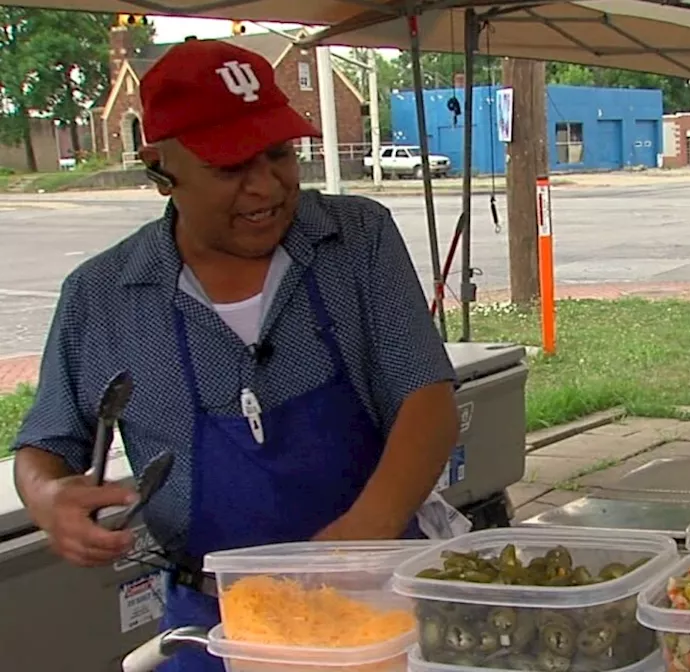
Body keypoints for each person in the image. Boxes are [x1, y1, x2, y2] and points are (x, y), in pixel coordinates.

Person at [10, 39, 460, 671]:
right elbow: (45, 442)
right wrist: (48, 498)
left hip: (378, 606)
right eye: (229, 167)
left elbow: (427, 396)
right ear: (160, 167)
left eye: (279, 154)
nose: (266, 186)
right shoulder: (102, 295)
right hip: (214, 625)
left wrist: (359, 541)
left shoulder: (355, 240)